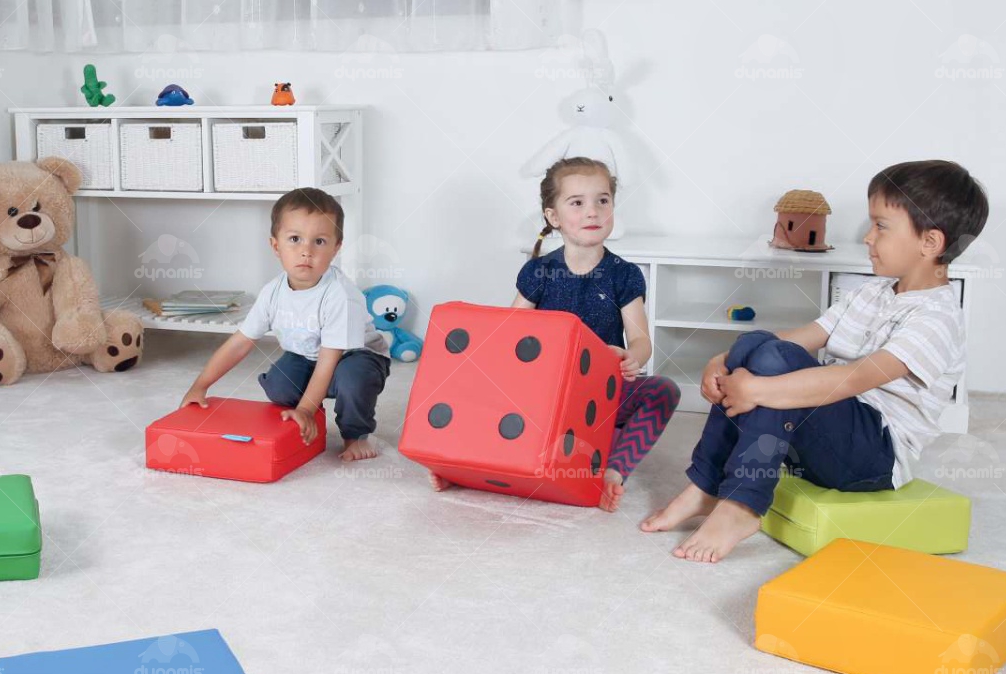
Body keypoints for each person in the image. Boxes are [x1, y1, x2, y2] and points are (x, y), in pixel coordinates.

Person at [641, 159, 990, 562]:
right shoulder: (872, 293)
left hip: (870, 457)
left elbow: (854, 378)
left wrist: (758, 389)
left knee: (774, 359)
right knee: (757, 342)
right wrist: (723, 359)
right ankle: (706, 487)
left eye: (881, 226)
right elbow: (798, 338)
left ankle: (742, 505)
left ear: (929, 242)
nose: (867, 237)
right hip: (825, 436)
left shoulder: (936, 318)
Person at [433, 156, 679, 511]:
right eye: (577, 203)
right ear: (553, 216)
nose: (592, 211)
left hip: (602, 394)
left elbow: (640, 341)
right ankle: (460, 467)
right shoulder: (539, 272)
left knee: (663, 391)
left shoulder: (624, 275)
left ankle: (611, 473)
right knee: (478, 383)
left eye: (603, 200)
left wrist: (631, 357)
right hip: (542, 395)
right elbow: (509, 336)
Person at [180, 187, 390, 461]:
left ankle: (356, 436)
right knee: (279, 385)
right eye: (295, 239)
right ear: (276, 246)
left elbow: (330, 358)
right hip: (308, 356)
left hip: (357, 356)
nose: (306, 251)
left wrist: (305, 409)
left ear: (336, 248)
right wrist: (200, 385)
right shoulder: (272, 292)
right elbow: (240, 343)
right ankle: (311, 409)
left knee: (352, 380)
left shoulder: (340, 295)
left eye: (319, 241)